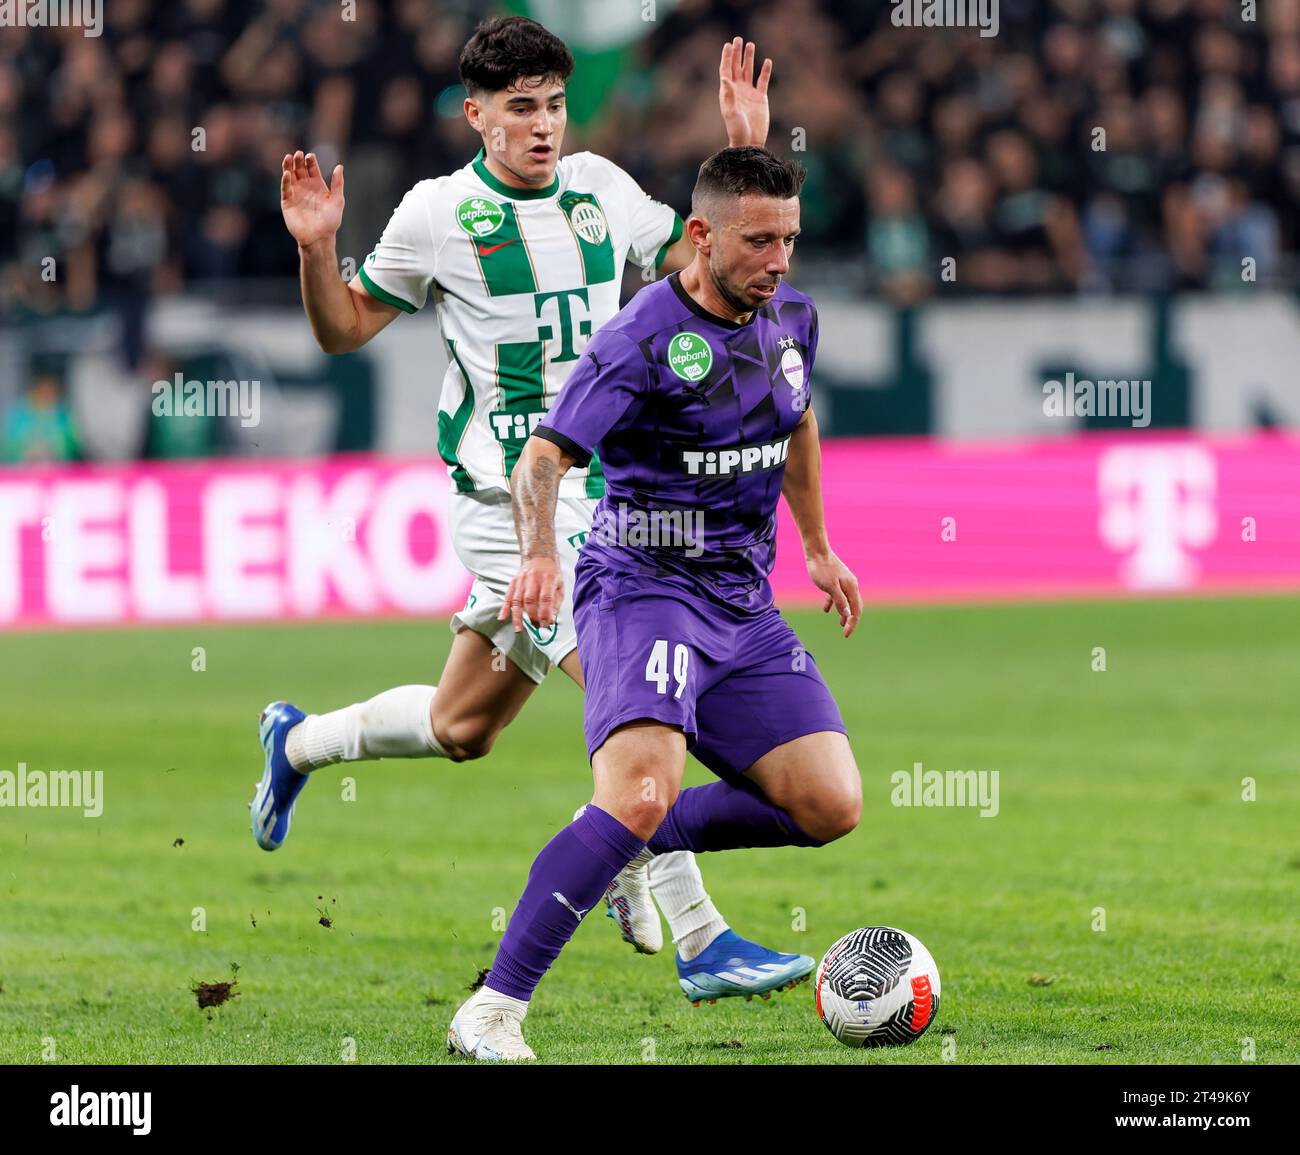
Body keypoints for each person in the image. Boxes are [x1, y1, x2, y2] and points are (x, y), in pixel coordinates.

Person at [250, 17, 814, 1012]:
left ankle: (296, 742)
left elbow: (703, 253)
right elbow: (342, 331)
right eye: (520, 109)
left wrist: (737, 146)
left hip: (610, 481)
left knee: (461, 726)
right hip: (507, 501)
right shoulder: (434, 215)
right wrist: (319, 248)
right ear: (477, 116)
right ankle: (697, 933)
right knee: (638, 695)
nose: (543, 125)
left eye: (553, 105)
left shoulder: (600, 189)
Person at [448, 145, 863, 1061]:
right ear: (701, 235)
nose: (779, 261)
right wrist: (542, 554)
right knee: (639, 786)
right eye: (759, 241)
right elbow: (543, 458)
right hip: (643, 590)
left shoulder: (792, 311)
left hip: (742, 606)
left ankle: (627, 842)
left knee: (831, 804)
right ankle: (493, 1009)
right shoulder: (637, 339)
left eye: (790, 239)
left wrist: (820, 546)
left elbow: (797, 421)